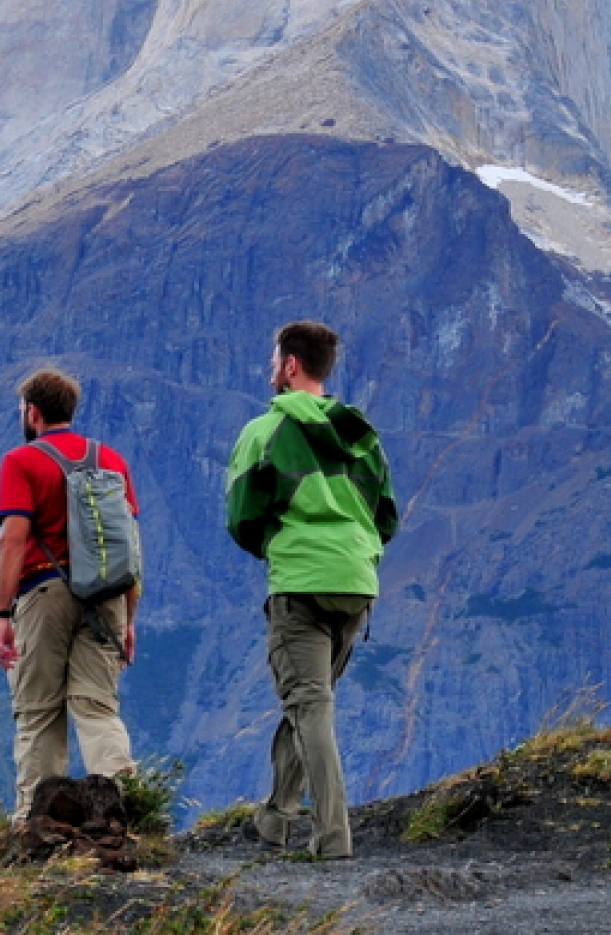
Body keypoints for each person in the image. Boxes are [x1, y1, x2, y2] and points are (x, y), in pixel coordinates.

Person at [226, 320, 398, 859]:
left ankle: (332, 836)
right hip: (356, 582)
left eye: (274, 360)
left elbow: (242, 516)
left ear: (291, 365)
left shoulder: (264, 431)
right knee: (308, 701)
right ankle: (276, 816)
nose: (270, 369)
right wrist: (354, 551)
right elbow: (386, 515)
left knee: (310, 706)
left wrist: (279, 545)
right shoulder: (362, 436)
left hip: (301, 582)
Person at [0, 367, 140, 821]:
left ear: (33, 412)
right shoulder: (110, 460)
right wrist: (129, 618)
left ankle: (37, 820)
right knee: (97, 708)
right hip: (107, 595)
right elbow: (130, 545)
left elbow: (12, 539)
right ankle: (122, 811)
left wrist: (2, 613)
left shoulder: (21, 461)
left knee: (38, 712)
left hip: (44, 591)